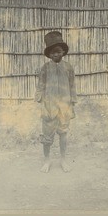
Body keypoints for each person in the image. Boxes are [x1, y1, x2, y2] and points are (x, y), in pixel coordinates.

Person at [35, 31, 77, 173]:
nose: (55, 55)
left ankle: (63, 160)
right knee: (47, 136)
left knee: (63, 133)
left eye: (58, 52)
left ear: (63, 52)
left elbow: (72, 86)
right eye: (52, 53)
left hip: (64, 107)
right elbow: (40, 86)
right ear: (49, 54)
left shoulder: (68, 68)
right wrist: (41, 103)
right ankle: (47, 160)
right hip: (49, 107)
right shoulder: (45, 68)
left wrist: (72, 103)